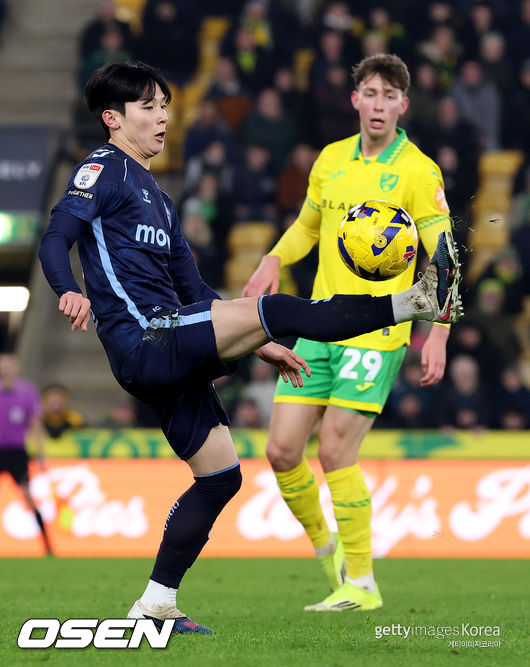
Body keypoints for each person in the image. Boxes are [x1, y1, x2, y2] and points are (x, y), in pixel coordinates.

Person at [39, 61, 462, 634]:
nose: (162, 117)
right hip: (147, 337)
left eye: (165, 106)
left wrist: (259, 344)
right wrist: (67, 289)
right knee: (279, 308)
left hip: (171, 343)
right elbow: (56, 236)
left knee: (220, 476)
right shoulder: (102, 170)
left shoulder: (159, 198)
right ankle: (413, 302)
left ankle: (156, 603)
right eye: (148, 107)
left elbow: (195, 291)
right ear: (113, 119)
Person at [243, 53, 458, 612]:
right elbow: (308, 227)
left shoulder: (418, 171)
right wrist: (272, 258)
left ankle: (361, 583)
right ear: (355, 99)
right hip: (320, 325)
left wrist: (438, 333)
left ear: (403, 105)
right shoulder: (331, 159)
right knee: (282, 451)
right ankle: (329, 552)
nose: (379, 104)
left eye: (390, 95)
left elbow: (444, 254)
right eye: (371, 93)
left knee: (336, 450)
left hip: (378, 332)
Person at [0, 354, 53, 555]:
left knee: (28, 497)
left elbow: (35, 424)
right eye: (2, 366)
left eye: (8, 366)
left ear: (17, 368)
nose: (5, 369)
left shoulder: (27, 392)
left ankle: (47, 545)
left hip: (16, 453)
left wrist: (40, 453)